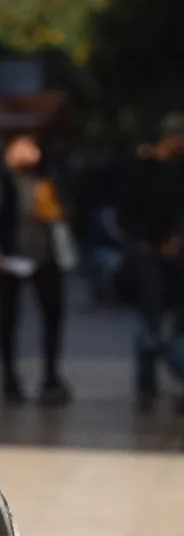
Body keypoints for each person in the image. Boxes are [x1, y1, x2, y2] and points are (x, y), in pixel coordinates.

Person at [0, 133, 71, 406]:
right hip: (8, 260)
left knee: (52, 315)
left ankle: (51, 377)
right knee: (7, 319)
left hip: (44, 258)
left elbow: (61, 216)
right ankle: (9, 378)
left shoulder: (46, 180)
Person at [117, 118, 184, 409]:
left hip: (177, 258)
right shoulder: (141, 170)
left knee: (175, 325)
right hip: (149, 257)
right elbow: (126, 214)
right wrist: (147, 244)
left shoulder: (178, 170)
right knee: (149, 325)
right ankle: (147, 386)